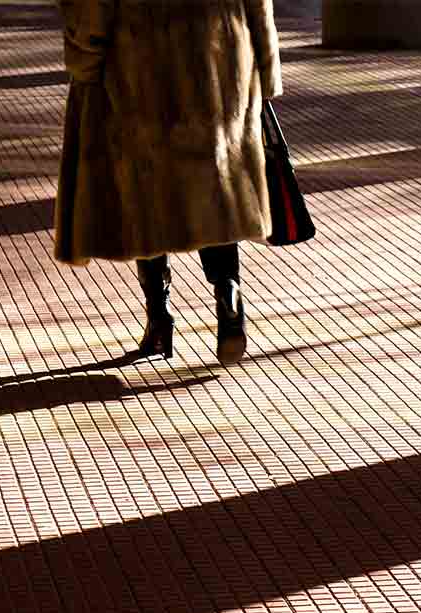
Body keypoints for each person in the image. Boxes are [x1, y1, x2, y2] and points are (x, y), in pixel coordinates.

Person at [54, 0, 283, 364]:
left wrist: (85, 64)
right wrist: (267, 70)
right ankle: (228, 292)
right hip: (218, 63)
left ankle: (159, 319)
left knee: (146, 194)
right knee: (215, 189)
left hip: (140, 72)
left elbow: (91, 14)